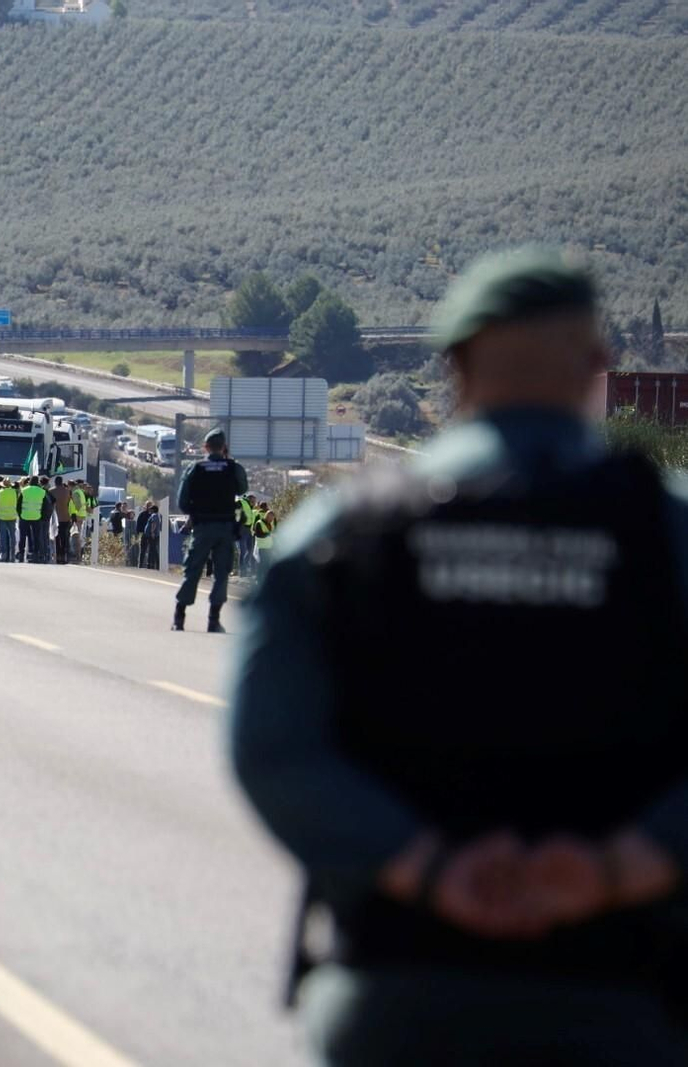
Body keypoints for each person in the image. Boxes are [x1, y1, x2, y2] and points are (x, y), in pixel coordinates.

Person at [232, 249, 688, 1066]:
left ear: (455, 366)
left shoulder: (342, 536)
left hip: (398, 994)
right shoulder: (669, 539)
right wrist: (617, 867)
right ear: (598, 364)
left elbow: (273, 749)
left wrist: (425, 865)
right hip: (623, 999)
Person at [172, 427, 247, 632]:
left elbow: (182, 501)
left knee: (193, 570)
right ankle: (213, 620)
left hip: (203, 526)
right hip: (225, 527)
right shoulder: (233, 468)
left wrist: (196, 515)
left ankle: (179, 617)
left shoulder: (196, 468)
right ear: (224, 447)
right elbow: (242, 489)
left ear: (205, 447)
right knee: (221, 573)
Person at [19, 476, 49, 563]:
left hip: (24, 516)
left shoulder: (24, 490)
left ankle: (21, 552)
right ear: (38, 482)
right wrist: (42, 516)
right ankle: (36, 553)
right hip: (37, 516)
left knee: (23, 536)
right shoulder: (42, 492)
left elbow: (19, 504)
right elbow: (45, 506)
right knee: (36, 536)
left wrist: (20, 514)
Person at [0, 478, 19, 563]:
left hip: (1, 517)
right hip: (12, 516)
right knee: (12, 536)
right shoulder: (15, 492)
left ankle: (3, 553)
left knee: (2, 536)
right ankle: (12, 554)